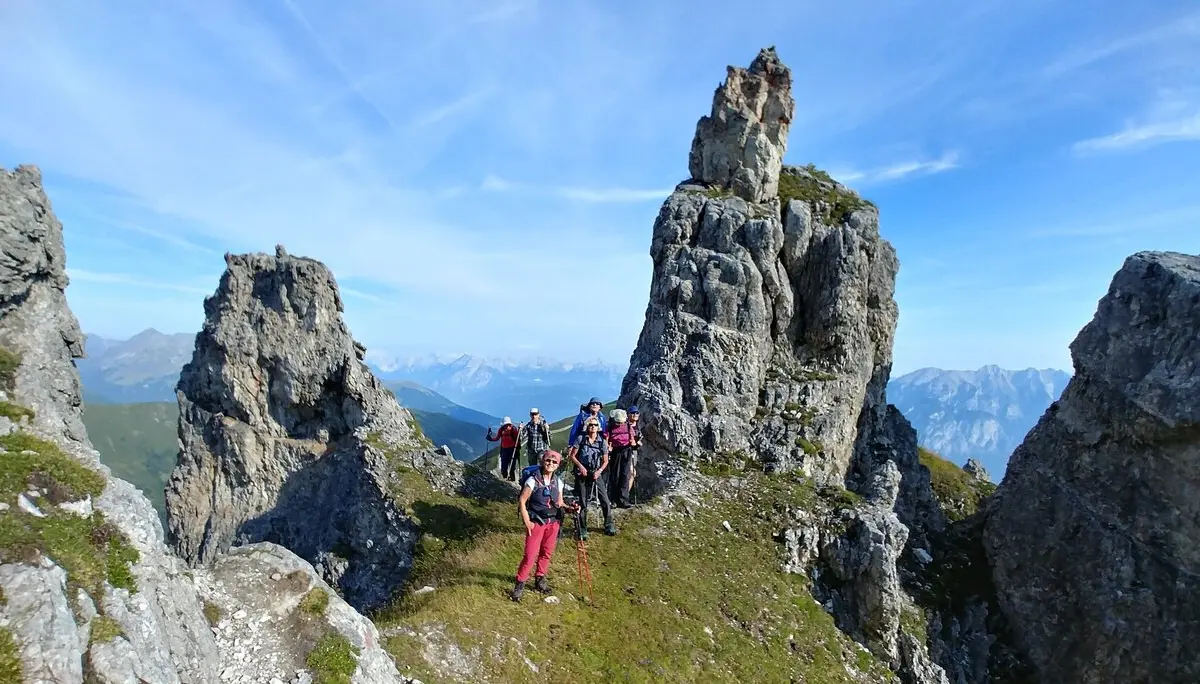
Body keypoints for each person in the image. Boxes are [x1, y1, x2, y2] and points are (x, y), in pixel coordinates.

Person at [511, 450, 578, 602]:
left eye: (554, 462)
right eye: (548, 461)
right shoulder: (533, 480)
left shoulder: (558, 482)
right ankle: (519, 585)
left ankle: (539, 579)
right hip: (537, 523)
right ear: (543, 461)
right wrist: (527, 521)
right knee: (530, 555)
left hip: (553, 522)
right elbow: (522, 500)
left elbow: (559, 503)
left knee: (546, 552)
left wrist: (570, 508)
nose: (551, 464)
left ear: (558, 465)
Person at [568, 417, 615, 538]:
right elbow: (572, 456)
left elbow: (605, 461)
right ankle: (582, 528)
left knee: (604, 499)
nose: (592, 427)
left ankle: (609, 524)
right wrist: (580, 467)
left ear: (598, 427)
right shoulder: (580, 439)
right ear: (587, 427)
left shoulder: (602, 442)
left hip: (595, 472)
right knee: (583, 501)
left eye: (595, 425)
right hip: (582, 472)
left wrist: (599, 471)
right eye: (590, 425)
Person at [605, 408, 636, 507]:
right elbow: (606, 439)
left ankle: (623, 500)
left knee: (625, 475)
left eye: (621, 422)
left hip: (627, 450)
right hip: (615, 451)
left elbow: (632, 438)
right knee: (615, 475)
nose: (619, 424)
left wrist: (633, 443)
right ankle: (613, 500)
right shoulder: (610, 427)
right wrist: (608, 447)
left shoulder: (628, 426)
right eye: (618, 422)